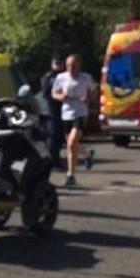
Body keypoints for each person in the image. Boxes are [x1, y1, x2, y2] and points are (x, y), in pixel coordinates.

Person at [52, 53, 96, 188]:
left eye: (73, 65)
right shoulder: (61, 77)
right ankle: (87, 153)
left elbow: (94, 90)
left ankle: (70, 175)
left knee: (71, 143)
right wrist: (61, 97)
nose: (70, 68)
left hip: (81, 113)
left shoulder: (86, 78)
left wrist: (88, 99)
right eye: (68, 65)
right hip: (66, 114)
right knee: (71, 145)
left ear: (78, 65)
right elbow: (54, 93)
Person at [39, 56, 66, 170]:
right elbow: (46, 93)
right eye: (56, 63)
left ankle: (57, 160)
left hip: (64, 109)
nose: (58, 66)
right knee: (53, 135)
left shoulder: (65, 76)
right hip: (52, 109)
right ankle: (52, 161)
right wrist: (57, 95)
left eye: (60, 63)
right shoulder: (48, 77)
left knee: (60, 136)